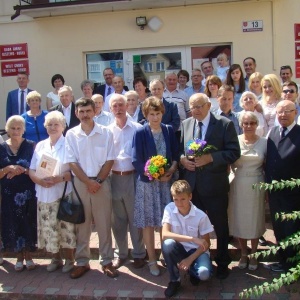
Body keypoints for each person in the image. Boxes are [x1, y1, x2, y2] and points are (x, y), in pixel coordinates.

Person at [180, 93, 240, 279]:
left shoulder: (224, 124)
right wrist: (183, 160)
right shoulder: (186, 124)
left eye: (198, 106)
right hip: (193, 186)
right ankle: (197, 260)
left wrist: (211, 158)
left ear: (208, 105)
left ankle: (222, 261)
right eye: (192, 107)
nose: (195, 111)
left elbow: (234, 152)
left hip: (215, 186)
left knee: (220, 226)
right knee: (193, 227)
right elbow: (180, 150)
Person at [64, 98, 118, 279]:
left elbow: (110, 159)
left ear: (95, 111)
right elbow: (71, 162)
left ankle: (107, 261)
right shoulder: (71, 134)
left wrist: (98, 182)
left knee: (103, 224)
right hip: (81, 183)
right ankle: (82, 262)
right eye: (82, 111)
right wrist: (88, 182)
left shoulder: (106, 132)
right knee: (82, 225)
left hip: (101, 183)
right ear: (76, 113)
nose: (85, 115)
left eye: (88, 111)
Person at [132, 96, 179, 276]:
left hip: (166, 184)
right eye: (151, 114)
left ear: (162, 113)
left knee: (165, 222)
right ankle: (151, 260)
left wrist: (171, 170)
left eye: (158, 113)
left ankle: (166, 257)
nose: (155, 117)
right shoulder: (140, 132)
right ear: (146, 114)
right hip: (148, 184)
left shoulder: (168, 130)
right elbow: (136, 159)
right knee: (149, 224)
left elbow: (175, 154)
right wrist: (152, 174)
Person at [29, 111, 76, 273]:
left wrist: (59, 178)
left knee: (66, 227)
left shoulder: (69, 144)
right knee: (49, 227)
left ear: (63, 126)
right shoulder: (40, 145)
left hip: (62, 192)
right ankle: (55, 258)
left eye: (56, 124)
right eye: (49, 124)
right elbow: (31, 170)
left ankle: (70, 259)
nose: (53, 127)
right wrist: (40, 181)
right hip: (44, 193)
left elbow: (74, 172)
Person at [108, 94, 146, 270]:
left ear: (128, 106)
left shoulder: (138, 128)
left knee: (135, 218)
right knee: (118, 220)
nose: (118, 108)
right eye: (114, 106)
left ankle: (139, 254)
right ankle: (121, 254)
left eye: (121, 105)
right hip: (114, 177)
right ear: (110, 109)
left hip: (133, 177)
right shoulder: (107, 131)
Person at [228, 111, 267, 271]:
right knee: (240, 219)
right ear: (241, 125)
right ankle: (243, 253)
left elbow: (268, 165)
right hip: (237, 184)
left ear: (257, 125)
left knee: (255, 219)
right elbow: (228, 163)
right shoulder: (234, 141)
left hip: (257, 184)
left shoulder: (265, 142)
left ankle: (254, 253)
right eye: (246, 123)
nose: (249, 126)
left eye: (252, 123)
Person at [162, 180, 213, 298]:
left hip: (197, 251)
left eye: (183, 199)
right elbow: (164, 234)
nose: (179, 203)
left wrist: (190, 259)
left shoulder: (201, 216)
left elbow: (207, 243)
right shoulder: (169, 209)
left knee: (204, 274)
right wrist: (192, 238)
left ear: (190, 196)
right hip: (179, 249)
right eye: (175, 199)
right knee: (167, 244)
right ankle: (175, 280)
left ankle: (192, 271)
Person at [265, 100, 300, 273]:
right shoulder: (273, 132)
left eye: (288, 111)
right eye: (280, 112)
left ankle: (292, 265)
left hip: (294, 194)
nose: (283, 115)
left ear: (295, 112)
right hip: (274, 193)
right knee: (278, 228)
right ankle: (283, 261)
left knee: (291, 229)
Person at [0, 116, 37, 272]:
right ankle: (18, 256)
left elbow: (38, 169)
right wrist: (8, 169)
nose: (16, 131)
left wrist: (25, 170)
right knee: (13, 222)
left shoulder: (31, 146)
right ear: (8, 130)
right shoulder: (1, 147)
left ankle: (28, 255)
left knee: (27, 221)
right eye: (13, 128)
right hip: (8, 194)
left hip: (27, 192)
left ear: (23, 130)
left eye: (19, 128)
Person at [163, 73, 189, 142]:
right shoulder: (161, 94)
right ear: (165, 80)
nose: (172, 81)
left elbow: (189, 112)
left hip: (180, 130)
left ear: (177, 81)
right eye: (169, 79)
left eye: (174, 80)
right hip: (164, 129)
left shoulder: (184, 95)